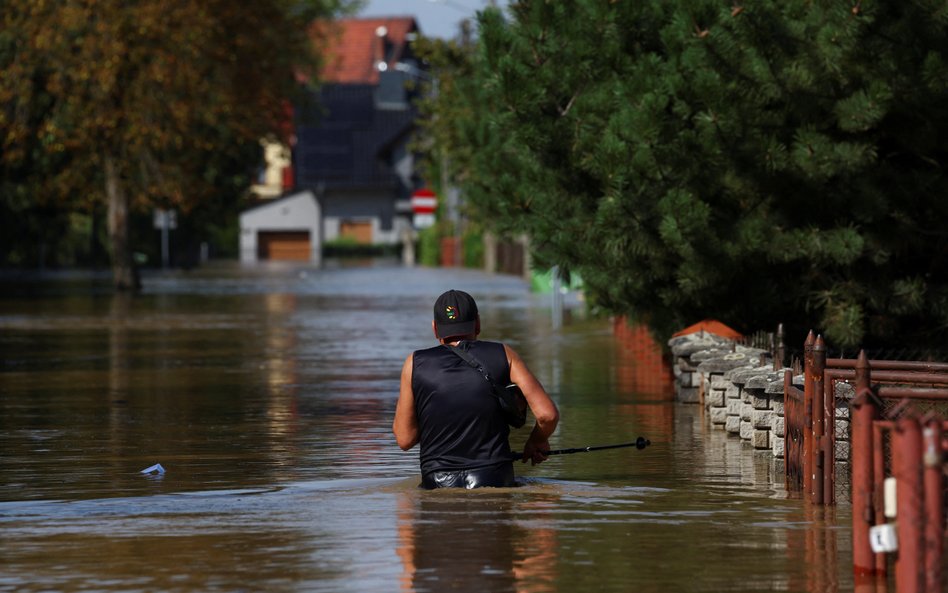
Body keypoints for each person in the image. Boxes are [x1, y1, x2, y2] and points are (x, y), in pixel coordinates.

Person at [393, 289, 560, 489]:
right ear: (478, 323)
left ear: (435, 329)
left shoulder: (414, 364)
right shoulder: (503, 354)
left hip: (437, 484)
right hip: (494, 478)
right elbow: (547, 415)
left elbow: (404, 439)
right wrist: (537, 440)